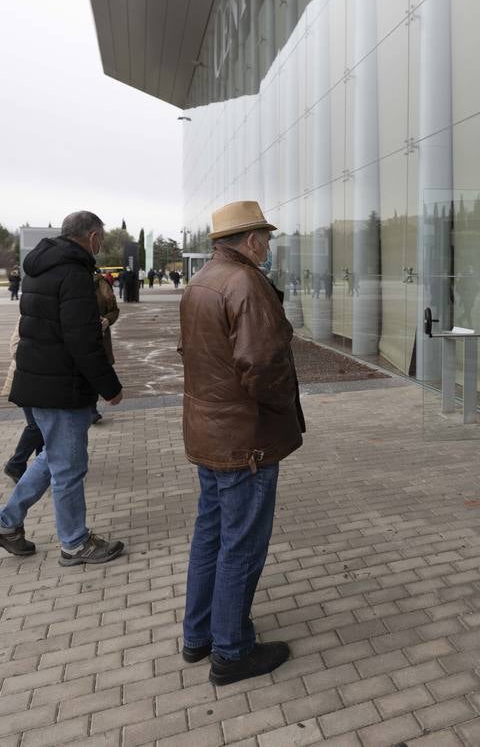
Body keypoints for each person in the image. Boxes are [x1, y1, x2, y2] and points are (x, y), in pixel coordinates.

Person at [179, 200, 303, 685]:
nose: (269, 246)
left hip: (210, 433)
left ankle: (200, 635)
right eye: (266, 239)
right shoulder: (246, 282)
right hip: (244, 441)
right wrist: (280, 409)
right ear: (251, 241)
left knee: (211, 536)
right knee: (242, 546)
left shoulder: (203, 280)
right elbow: (262, 367)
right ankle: (231, 651)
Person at [0, 211, 125, 565]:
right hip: (61, 386)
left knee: (52, 458)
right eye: (101, 237)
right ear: (91, 236)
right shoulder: (73, 273)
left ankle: (5, 524)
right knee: (69, 469)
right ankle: (75, 543)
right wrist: (109, 386)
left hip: (41, 381)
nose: (101, 243)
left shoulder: (40, 267)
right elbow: (81, 338)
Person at [0, 326, 43, 483]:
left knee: (41, 425)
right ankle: (16, 464)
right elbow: (15, 348)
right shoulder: (28, 316)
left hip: (39, 381)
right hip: (27, 379)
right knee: (37, 425)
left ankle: (41, 465)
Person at [91, 267, 120, 424]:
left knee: (96, 366)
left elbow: (114, 310)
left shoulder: (100, 283)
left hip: (99, 335)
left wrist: (107, 320)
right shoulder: (64, 278)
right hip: (72, 335)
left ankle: (91, 409)